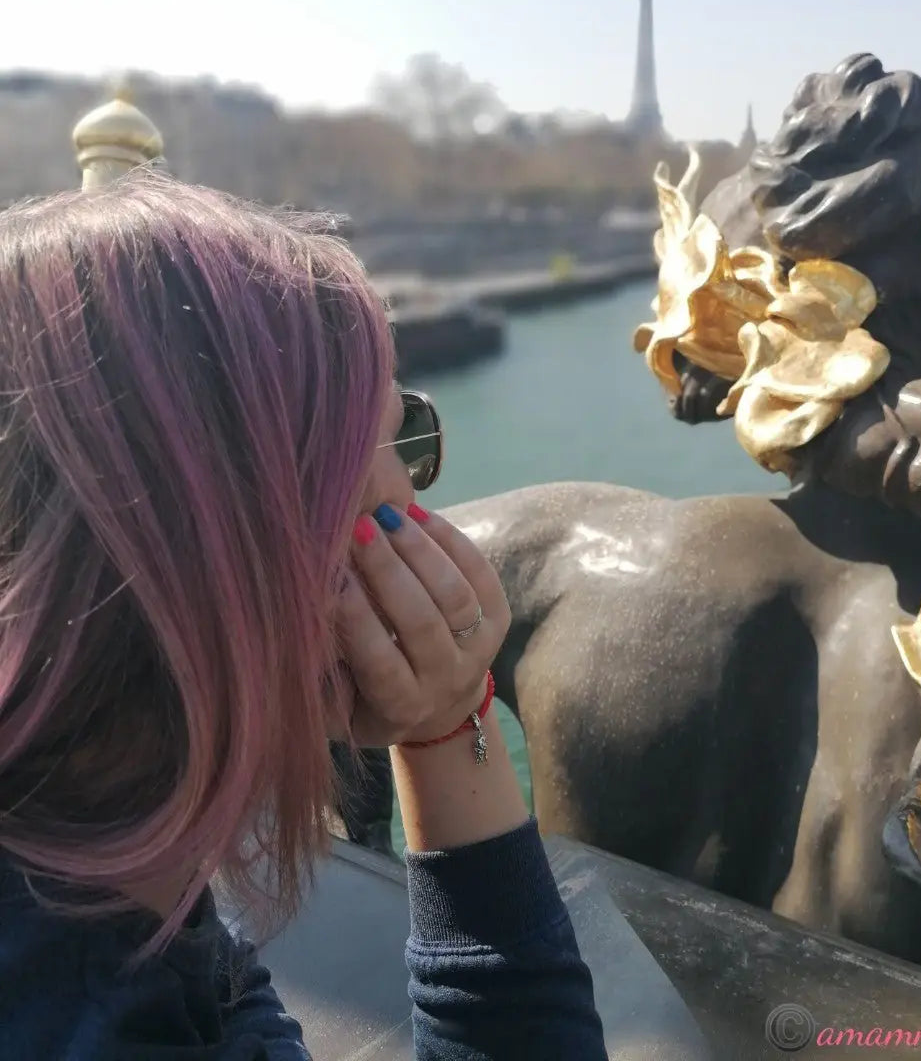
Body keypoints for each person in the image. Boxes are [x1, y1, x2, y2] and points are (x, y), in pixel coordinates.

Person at [0, 171, 608, 1059]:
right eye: (391, 437)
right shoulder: (88, 1010)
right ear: (224, 532)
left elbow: (235, 1001)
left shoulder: (86, 863)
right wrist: (447, 730)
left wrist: (441, 722)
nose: (417, 485)